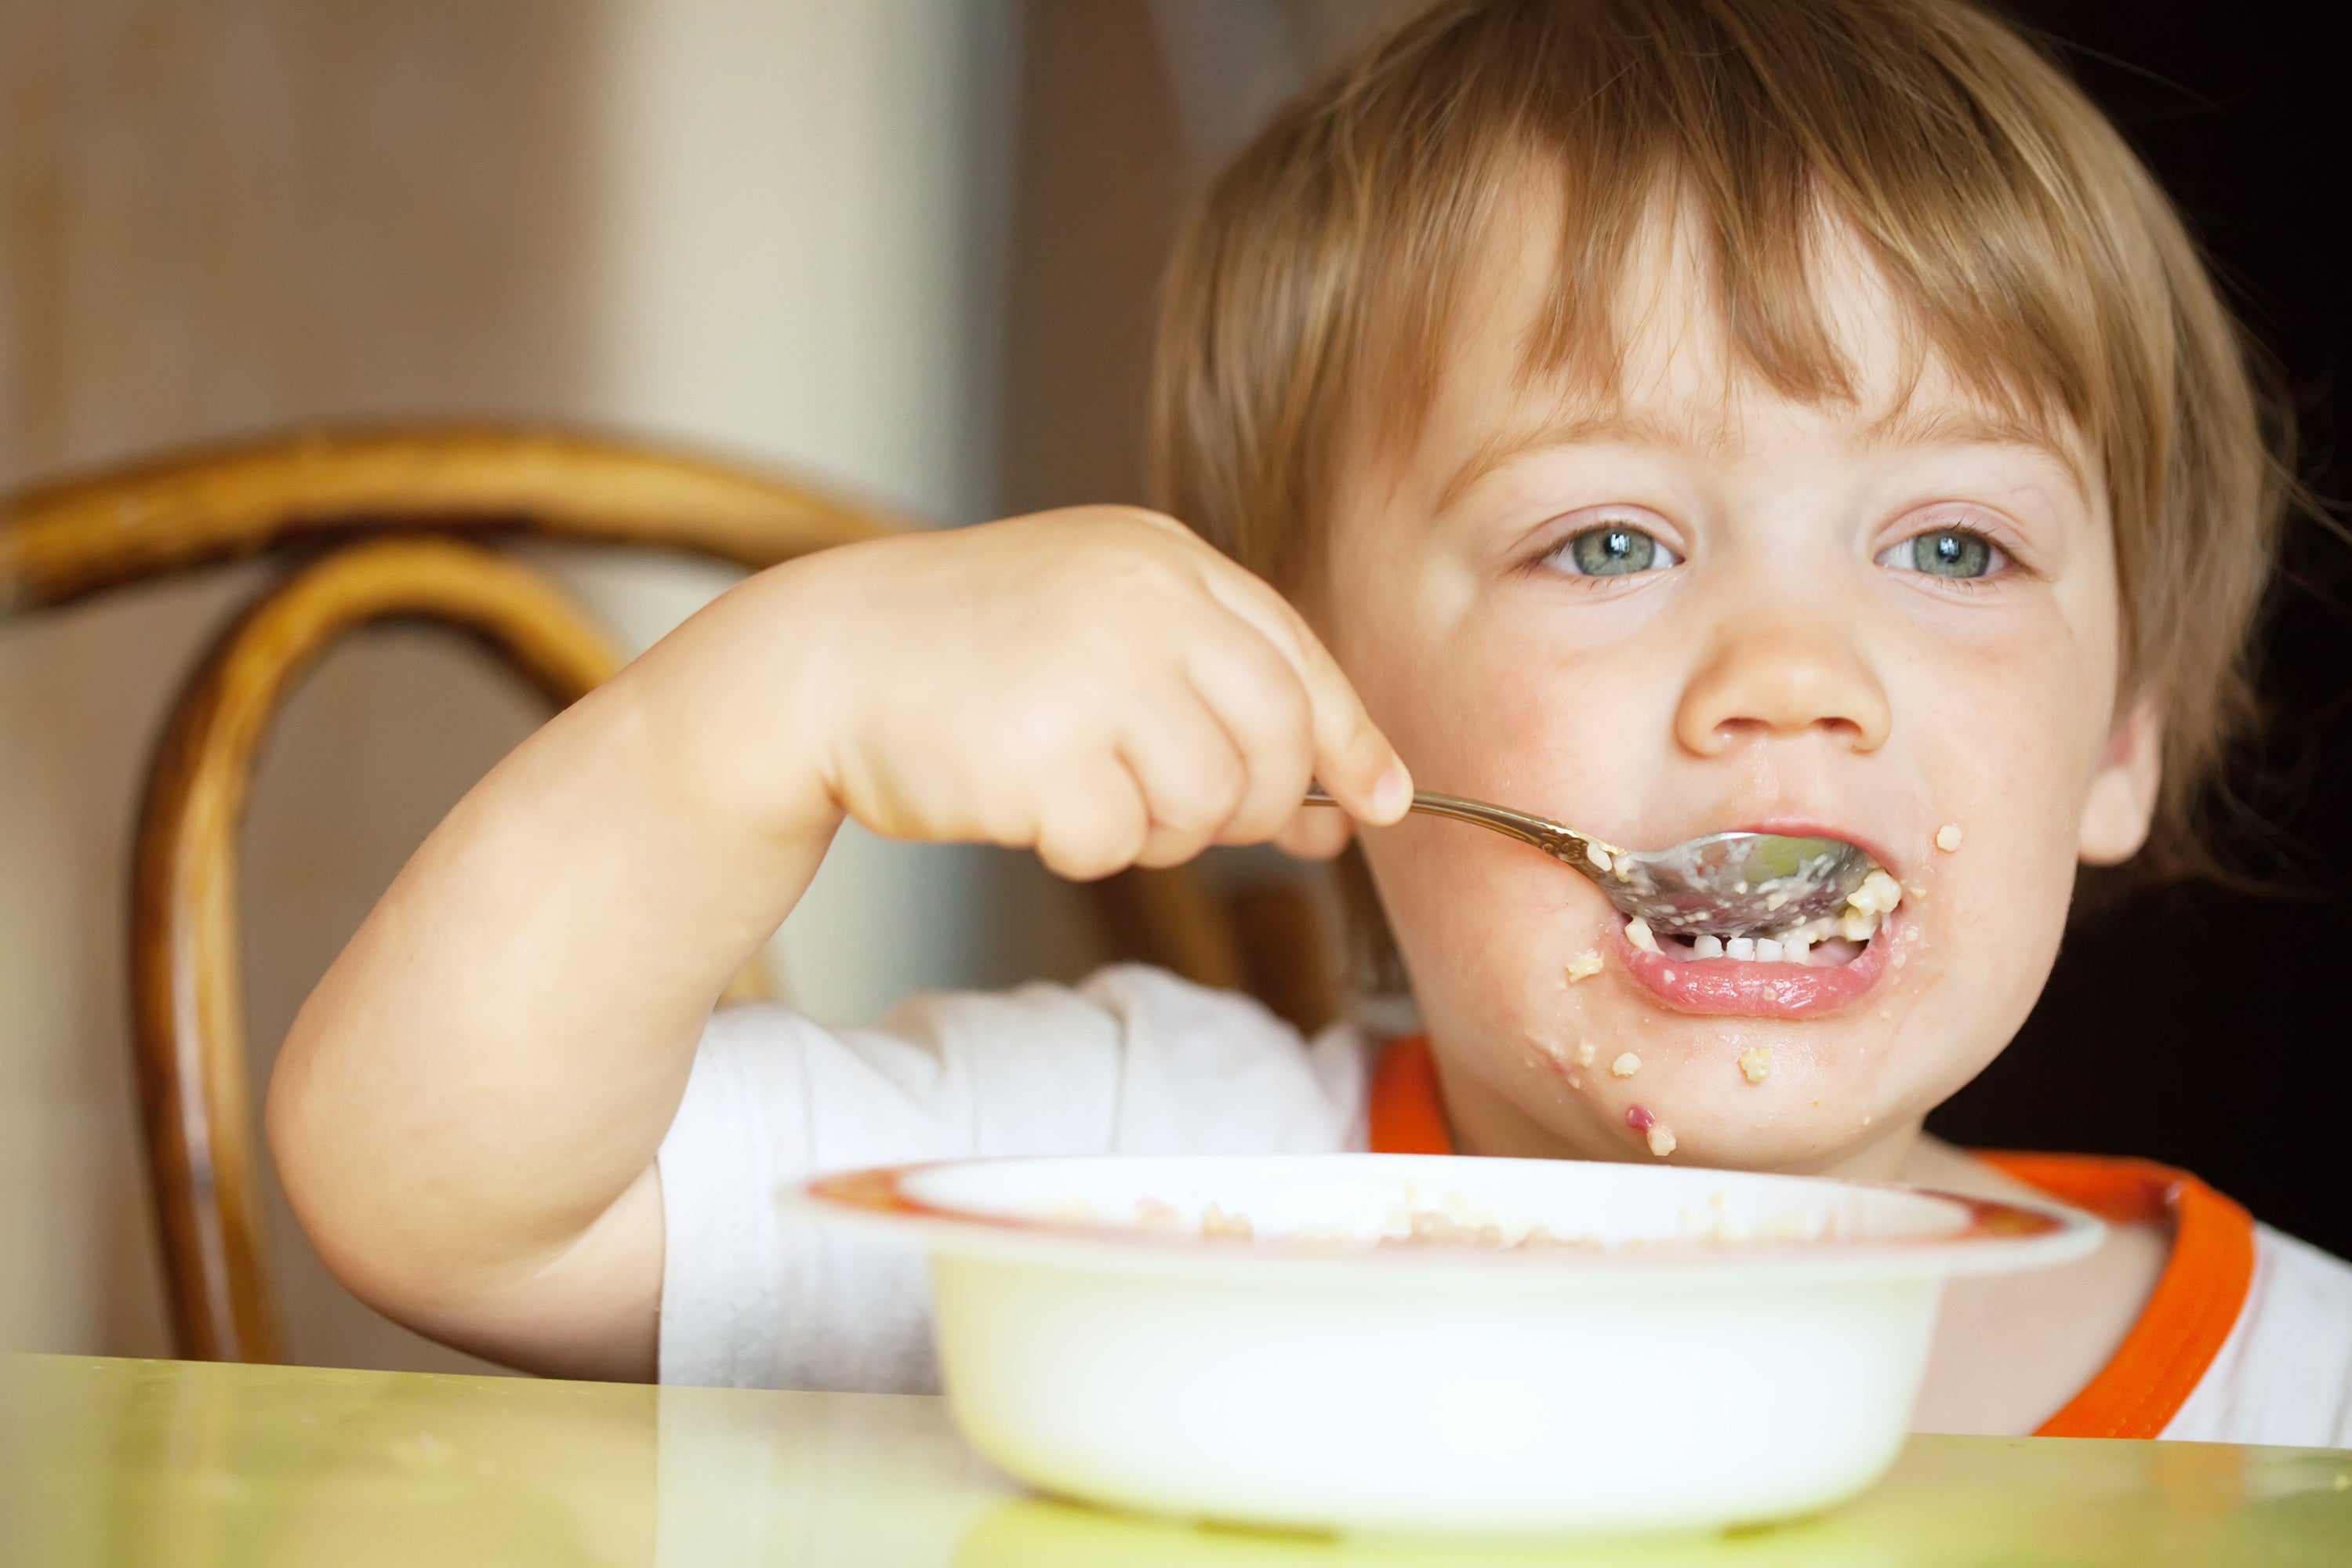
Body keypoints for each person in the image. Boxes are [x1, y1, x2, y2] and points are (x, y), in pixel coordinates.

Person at [268, 0, 2352, 1443]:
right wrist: (758, 705)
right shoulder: (1124, 1188)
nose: (1789, 677)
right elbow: (447, 1201)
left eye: (1960, 551)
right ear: (1302, 684)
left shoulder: (2297, 1399)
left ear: (2117, 745)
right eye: (1611, 545)